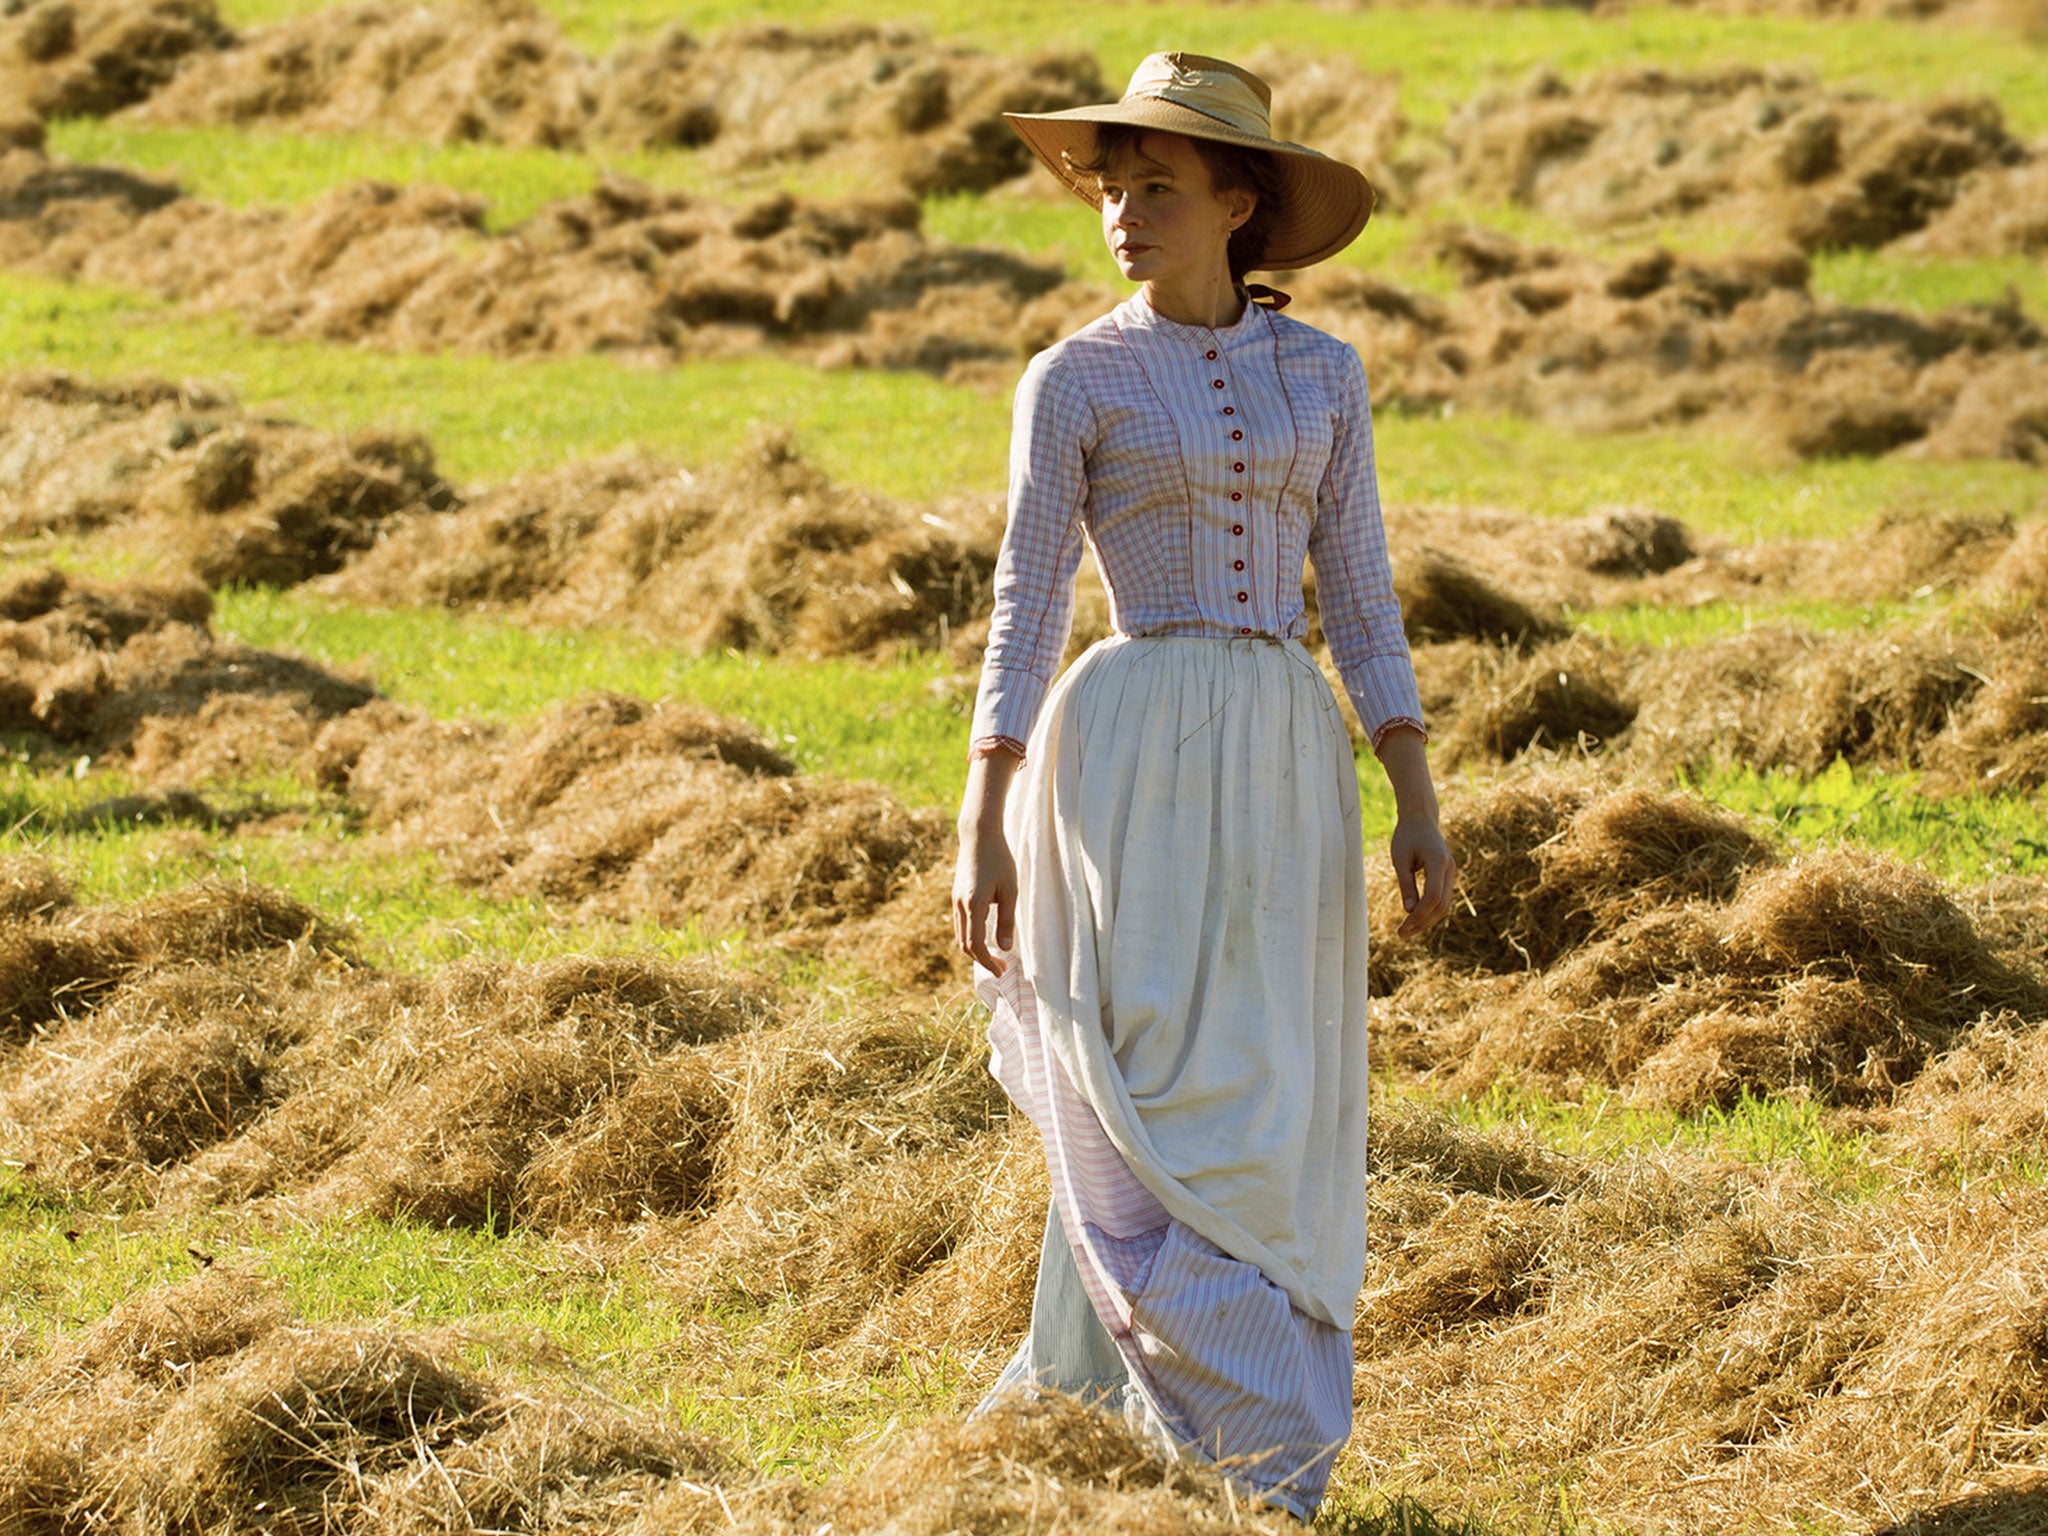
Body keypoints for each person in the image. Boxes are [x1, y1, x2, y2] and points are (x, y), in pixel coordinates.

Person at [950, 52, 1456, 1519]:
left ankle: (1243, 1435)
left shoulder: (1326, 375)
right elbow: (1027, 599)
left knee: (1266, 1083)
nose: (1124, 212)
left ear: (1242, 202)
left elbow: (1358, 592)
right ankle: (1173, 1410)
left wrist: (1414, 786)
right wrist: (982, 820)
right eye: (1112, 187)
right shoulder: (1076, 380)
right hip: (1123, 751)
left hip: (1288, 761)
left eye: (1157, 185)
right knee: (1148, 1071)